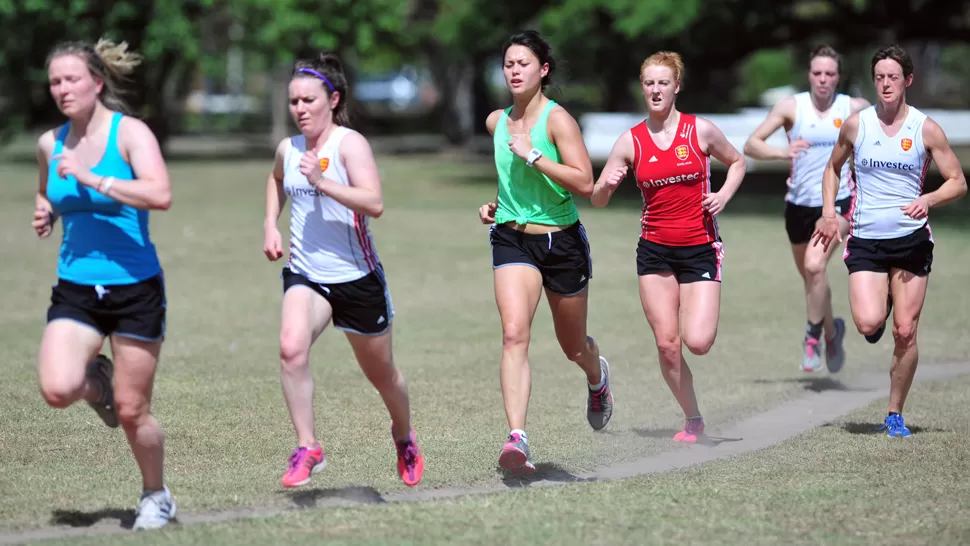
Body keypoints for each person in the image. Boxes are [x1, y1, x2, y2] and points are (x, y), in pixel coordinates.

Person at [263, 51, 424, 488]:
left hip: (356, 278)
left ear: (332, 100)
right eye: (294, 101)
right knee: (290, 348)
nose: (299, 109)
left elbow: (375, 203)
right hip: (306, 274)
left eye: (308, 100)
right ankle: (308, 446)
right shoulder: (289, 148)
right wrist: (269, 225)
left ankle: (404, 436)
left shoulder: (348, 144)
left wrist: (322, 182)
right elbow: (277, 179)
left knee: (382, 375)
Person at [33, 38, 175, 529]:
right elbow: (48, 189)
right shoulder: (50, 144)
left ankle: (156, 496)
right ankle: (100, 383)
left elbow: (160, 194)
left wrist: (95, 179)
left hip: (134, 286)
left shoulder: (130, 133)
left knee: (135, 413)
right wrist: (47, 210)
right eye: (55, 81)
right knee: (57, 387)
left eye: (71, 79)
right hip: (76, 286)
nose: (62, 89)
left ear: (97, 82)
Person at [590, 51, 746, 443]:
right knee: (667, 344)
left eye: (663, 82)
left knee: (697, 342)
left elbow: (738, 162)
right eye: (649, 83)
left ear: (677, 86)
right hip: (654, 251)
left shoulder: (701, 131)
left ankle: (695, 405)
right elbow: (597, 198)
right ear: (642, 88)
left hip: (700, 247)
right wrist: (605, 186)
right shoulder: (630, 141)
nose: (656, 90)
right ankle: (693, 418)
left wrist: (723, 195)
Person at [477, 30, 613, 474]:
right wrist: (497, 204)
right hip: (511, 238)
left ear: (543, 70)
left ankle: (597, 377)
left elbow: (584, 182)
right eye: (508, 64)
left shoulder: (558, 121)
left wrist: (534, 155)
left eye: (523, 64)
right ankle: (517, 438)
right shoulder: (497, 122)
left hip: (561, 241)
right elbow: (508, 176)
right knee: (514, 333)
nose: (514, 71)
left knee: (572, 346)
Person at [813, 45, 966, 437]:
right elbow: (832, 169)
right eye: (879, 77)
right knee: (868, 322)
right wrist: (830, 213)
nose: (885, 84)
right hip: (866, 240)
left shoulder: (924, 128)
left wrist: (928, 199)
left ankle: (894, 412)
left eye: (892, 77)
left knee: (905, 331)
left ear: (907, 81)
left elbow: (958, 182)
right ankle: (879, 308)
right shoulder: (856, 125)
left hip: (911, 241)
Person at [744, 45, 871, 374]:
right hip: (798, 206)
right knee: (813, 278)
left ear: (838, 77)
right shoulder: (791, 107)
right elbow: (751, 144)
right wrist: (783, 153)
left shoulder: (854, 108)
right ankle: (832, 332)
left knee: (815, 266)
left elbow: (877, 141)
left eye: (830, 74)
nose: (823, 80)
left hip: (839, 203)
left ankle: (812, 338)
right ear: (809, 75)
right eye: (818, 73)